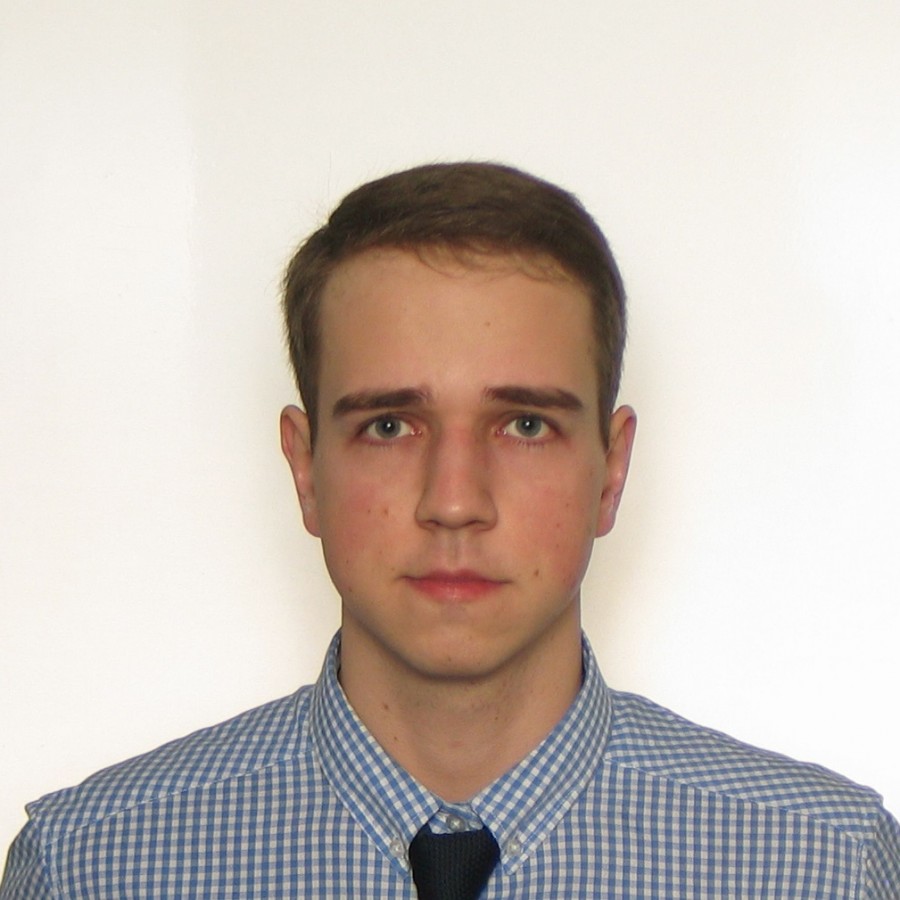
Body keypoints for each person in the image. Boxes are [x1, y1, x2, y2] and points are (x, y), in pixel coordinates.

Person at [1, 162, 897, 899]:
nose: (456, 502)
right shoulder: (91, 870)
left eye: (525, 425)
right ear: (306, 468)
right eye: (390, 425)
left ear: (611, 469)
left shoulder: (825, 869)